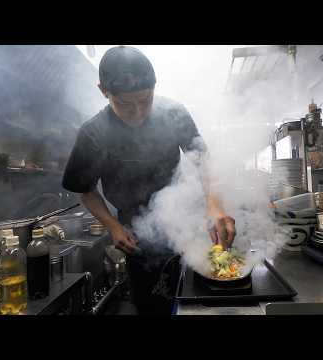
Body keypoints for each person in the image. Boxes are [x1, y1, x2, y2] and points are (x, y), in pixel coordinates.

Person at [62, 46, 236, 315]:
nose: (138, 112)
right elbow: (85, 190)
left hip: (183, 216)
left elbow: (203, 159)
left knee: (197, 294)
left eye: (146, 100)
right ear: (103, 91)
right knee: (151, 302)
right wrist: (112, 226)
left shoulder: (174, 113)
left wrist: (214, 204)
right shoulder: (93, 134)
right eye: (125, 104)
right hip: (135, 231)